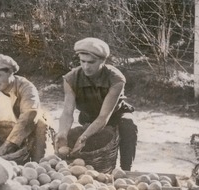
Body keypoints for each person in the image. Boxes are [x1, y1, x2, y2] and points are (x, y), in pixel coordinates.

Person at [55, 37, 138, 171]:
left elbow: (103, 117)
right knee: (81, 144)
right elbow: (67, 112)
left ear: (103, 61)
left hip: (115, 115)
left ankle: (126, 169)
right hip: (89, 116)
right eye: (83, 61)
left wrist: (85, 136)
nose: (86, 66)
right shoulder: (71, 79)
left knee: (128, 125)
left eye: (91, 62)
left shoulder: (116, 79)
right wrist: (63, 133)